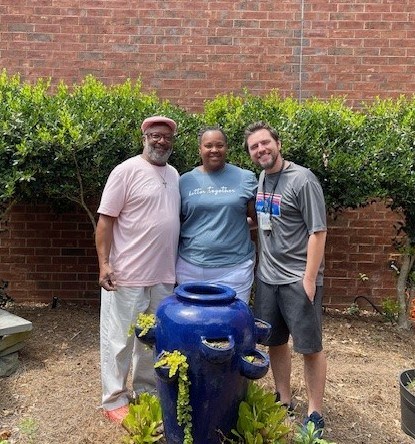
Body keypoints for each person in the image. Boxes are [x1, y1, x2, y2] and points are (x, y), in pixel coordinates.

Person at [244, 121, 327, 437]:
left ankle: (315, 412)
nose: (261, 149)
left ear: (277, 143)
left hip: (297, 279)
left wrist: (308, 279)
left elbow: (318, 232)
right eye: (255, 147)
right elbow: (265, 221)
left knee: (309, 346)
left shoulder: (303, 179)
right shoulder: (263, 178)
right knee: (275, 341)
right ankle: (284, 398)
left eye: (265, 143)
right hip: (268, 278)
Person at [95, 115, 180, 423]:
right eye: (155, 136)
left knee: (151, 339)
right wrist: (104, 264)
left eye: (167, 137)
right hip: (126, 276)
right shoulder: (126, 171)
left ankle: (145, 391)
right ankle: (113, 399)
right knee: (119, 339)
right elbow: (105, 221)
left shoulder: (174, 175)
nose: (161, 141)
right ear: (144, 138)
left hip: (162, 276)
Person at [176, 126, 257, 304]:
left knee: (231, 322)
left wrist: (232, 227)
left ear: (226, 148)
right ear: (200, 149)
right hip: (191, 267)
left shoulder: (246, 178)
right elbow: (178, 222)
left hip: (234, 269)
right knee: (194, 323)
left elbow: (256, 218)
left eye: (219, 145)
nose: (214, 150)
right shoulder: (184, 181)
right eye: (208, 145)